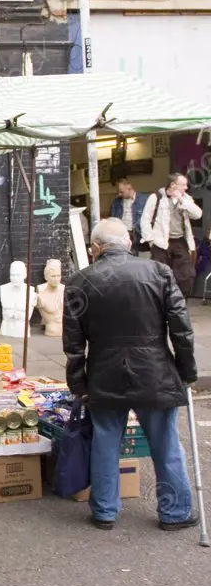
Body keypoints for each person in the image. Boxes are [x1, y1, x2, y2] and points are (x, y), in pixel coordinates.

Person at [64, 218, 198, 531]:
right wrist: (186, 371)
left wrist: (78, 383)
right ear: (128, 242)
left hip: (104, 374)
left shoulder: (80, 281)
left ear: (95, 248)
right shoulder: (158, 272)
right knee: (165, 445)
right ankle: (175, 513)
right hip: (155, 372)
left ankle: (105, 511)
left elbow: (73, 344)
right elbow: (181, 328)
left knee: (106, 442)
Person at [140, 173, 203, 296]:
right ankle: (161, 305)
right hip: (160, 243)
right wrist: (150, 240)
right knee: (159, 277)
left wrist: (181, 199)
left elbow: (197, 214)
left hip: (179, 241)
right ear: (173, 185)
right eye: (183, 185)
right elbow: (145, 219)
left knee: (186, 276)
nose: (186, 187)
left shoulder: (186, 198)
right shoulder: (156, 197)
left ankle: (179, 304)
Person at [109, 178, 149, 255]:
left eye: (121, 192)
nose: (119, 194)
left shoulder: (143, 200)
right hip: (122, 234)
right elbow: (112, 220)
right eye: (118, 192)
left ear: (129, 187)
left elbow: (149, 219)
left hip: (137, 234)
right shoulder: (116, 202)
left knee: (136, 259)